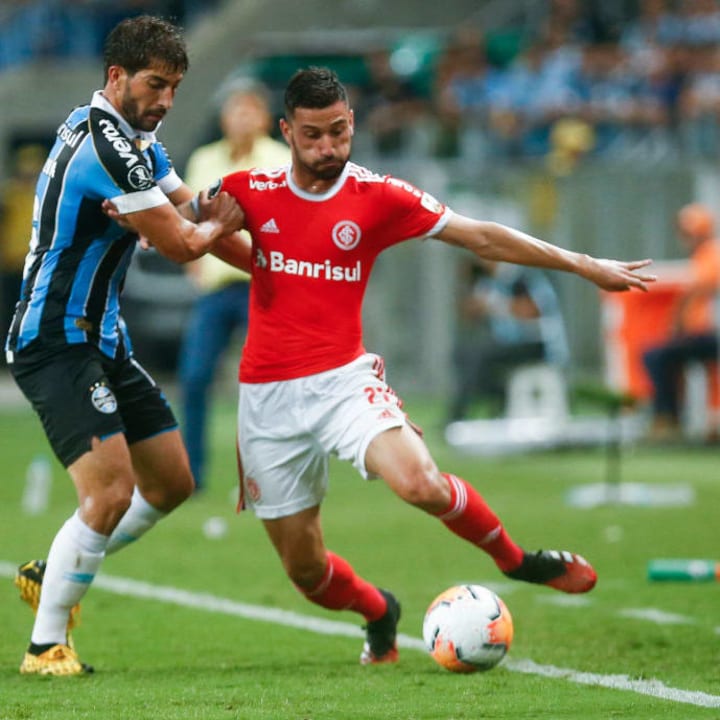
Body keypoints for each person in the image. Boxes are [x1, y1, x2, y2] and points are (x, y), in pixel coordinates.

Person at [189, 66, 655, 667]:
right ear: (287, 130)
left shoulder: (380, 196)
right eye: (312, 136)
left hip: (343, 381)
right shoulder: (249, 189)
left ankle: (518, 561)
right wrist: (173, 229)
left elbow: (481, 237)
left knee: (420, 483)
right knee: (306, 572)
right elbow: (186, 224)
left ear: (352, 122)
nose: (328, 147)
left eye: (338, 131)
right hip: (267, 399)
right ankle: (379, 612)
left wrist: (585, 264)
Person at [5, 16, 247, 676]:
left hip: (102, 338)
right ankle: (44, 646)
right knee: (109, 494)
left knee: (170, 482)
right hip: (54, 338)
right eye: (156, 84)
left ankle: (56, 567)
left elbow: (190, 210)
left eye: (174, 86)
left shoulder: (136, 136)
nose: (167, 100)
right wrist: (223, 219)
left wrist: (282, 264)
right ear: (117, 77)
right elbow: (182, 242)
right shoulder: (105, 145)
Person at [178, 78, 290, 491]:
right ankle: (194, 474)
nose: (241, 117)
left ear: (264, 117)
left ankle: (274, 471)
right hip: (215, 288)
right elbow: (187, 215)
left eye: (250, 109)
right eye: (234, 109)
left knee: (270, 383)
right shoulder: (204, 160)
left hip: (263, 286)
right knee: (193, 376)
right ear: (223, 117)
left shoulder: (280, 160)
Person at [448, 257, 569, 421]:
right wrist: (467, 284)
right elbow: (468, 316)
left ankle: (458, 417)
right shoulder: (486, 282)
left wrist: (497, 305)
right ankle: (495, 407)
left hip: (537, 342)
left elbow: (534, 310)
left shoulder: (524, 276)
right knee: (462, 355)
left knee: (480, 356)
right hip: (507, 344)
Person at [642, 202, 720, 439]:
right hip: (702, 334)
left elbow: (696, 292)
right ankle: (672, 417)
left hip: (708, 334)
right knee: (664, 355)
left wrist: (677, 323)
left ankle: (668, 419)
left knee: (656, 356)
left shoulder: (711, 254)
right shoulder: (703, 256)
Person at [0, 144, 46, 352]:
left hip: (36, 264)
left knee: (34, 310)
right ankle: (9, 350)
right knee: (9, 309)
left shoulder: (44, 194)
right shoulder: (9, 196)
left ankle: (31, 350)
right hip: (11, 264)